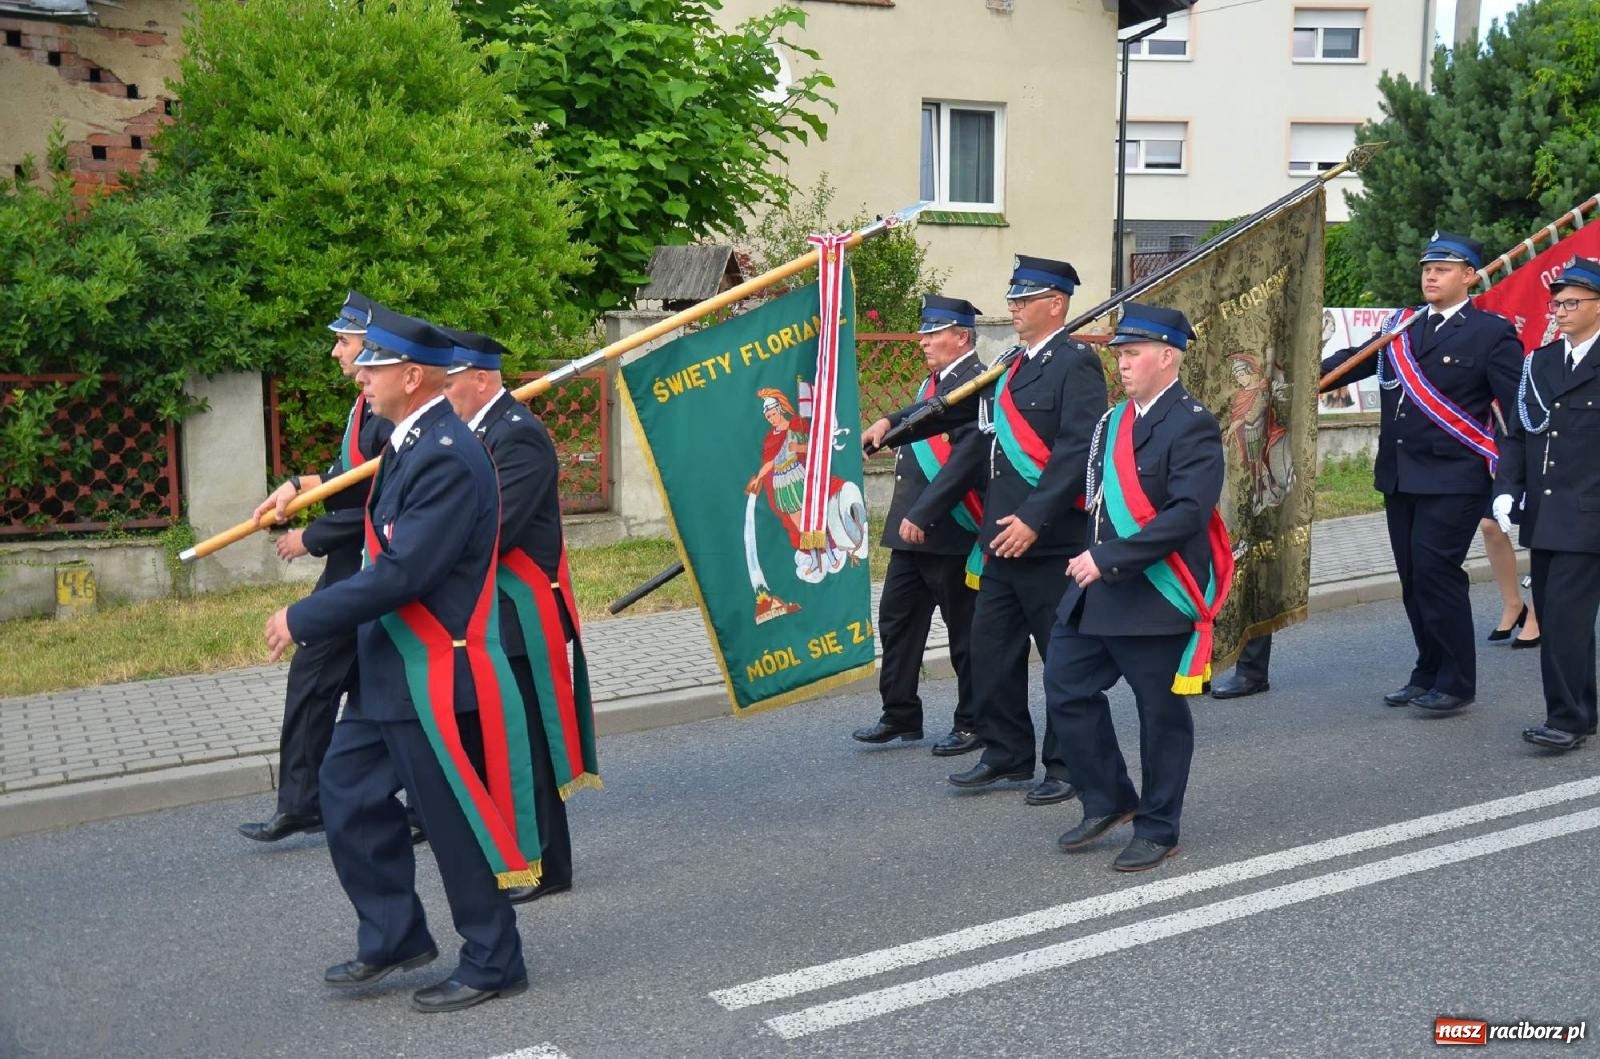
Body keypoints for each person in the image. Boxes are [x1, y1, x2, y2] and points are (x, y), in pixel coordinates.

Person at [263, 306, 534, 1013]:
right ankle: (395, 935)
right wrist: (296, 489)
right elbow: (351, 491)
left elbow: (402, 571)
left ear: (412, 377)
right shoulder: (412, 437)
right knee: (347, 792)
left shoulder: (444, 453)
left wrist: (302, 616)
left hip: (432, 671)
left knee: (448, 820)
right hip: (391, 667)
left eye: (372, 365)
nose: (359, 372)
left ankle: (494, 957)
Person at [906, 255, 1108, 805]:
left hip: (1051, 541)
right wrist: (894, 426)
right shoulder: (1012, 363)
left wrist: (1034, 519)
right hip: (998, 540)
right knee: (990, 651)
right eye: (1013, 298)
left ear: (1056, 305)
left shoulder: (1076, 364)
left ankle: (1066, 765)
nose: (1013, 307)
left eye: (1024, 299)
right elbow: (967, 419)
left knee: (1062, 661)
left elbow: (1078, 449)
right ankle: (1005, 753)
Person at [1050, 303, 1227, 872]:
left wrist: (1109, 558)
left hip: (1155, 593)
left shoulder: (1191, 422)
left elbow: (1186, 514)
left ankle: (1158, 826)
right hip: (1098, 589)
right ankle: (1108, 798)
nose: (1121, 364)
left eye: (1132, 354)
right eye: (1120, 355)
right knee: (1066, 687)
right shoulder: (1111, 421)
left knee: (1160, 716)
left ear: (1167, 357)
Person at [1320, 231, 1522, 714]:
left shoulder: (1490, 333)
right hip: (1399, 475)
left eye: (1444, 268)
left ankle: (1456, 682)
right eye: (1427, 268)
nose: (1431, 275)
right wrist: (1293, 370)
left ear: (1470, 276)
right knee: (1413, 577)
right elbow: (1347, 366)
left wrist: (1512, 481)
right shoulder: (1401, 327)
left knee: (1436, 573)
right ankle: (1427, 670)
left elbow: (1514, 414)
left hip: (1454, 477)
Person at [442, 328, 598, 902]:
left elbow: (497, 528)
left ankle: (550, 865)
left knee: (528, 742)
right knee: (500, 740)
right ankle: (514, 853)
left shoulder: (518, 436)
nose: (445, 391)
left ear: (481, 379)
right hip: (491, 615)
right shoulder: (473, 431)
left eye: (451, 381)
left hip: (520, 617)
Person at [239, 291, 394, 842]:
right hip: (351, 571)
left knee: (319, 679)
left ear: (372, 349)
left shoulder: (385, 414)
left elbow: (386, 501)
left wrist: (314, 535)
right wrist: (294, 488)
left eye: (344, 341)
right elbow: (342, 480)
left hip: (366, 572)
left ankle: (307, 801)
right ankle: (349, 798)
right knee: (371, 691)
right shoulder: (364, 407)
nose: (335, 352)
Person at [854, 295, 987, 755]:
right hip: (911, 532)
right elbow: (922, 428)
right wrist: (888, 422)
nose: (922, 340)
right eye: (924, 332)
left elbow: (965, 463)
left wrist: (923, 513)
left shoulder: (976, 381)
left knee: (964, 633)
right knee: (897, 622)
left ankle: (973, 721)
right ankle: (900, 714)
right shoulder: (934, 383)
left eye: (933, 333)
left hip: (953, 530)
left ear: (961, 337)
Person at [1492, 257, 1600, 750]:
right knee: (1561, 618)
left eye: (1572, 302)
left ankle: (1568, 720)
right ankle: (1580, 710)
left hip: (1589, 513)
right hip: (1547, 514)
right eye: (1556, 302)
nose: (1558, 310)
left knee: (1564, 617)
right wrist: (1506, 489)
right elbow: (1519, 435)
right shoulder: (1541, 362)